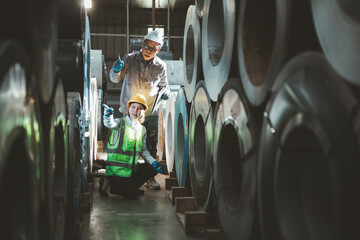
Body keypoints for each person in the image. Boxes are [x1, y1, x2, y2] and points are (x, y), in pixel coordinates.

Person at [109, 30, 170, 190]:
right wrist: (115, 70)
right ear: (142, 44)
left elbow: (164, 85)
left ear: (158, 50)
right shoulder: (129, 59)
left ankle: (150, 179)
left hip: (149, 113)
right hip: (130, 111)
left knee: (150, 146)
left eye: (153, 48)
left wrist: (166, 93)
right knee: (127, 144)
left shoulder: (161, 66)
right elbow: (115, 79)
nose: (149, 50)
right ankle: (124, 173)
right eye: (147, 46)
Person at [99, 94, 168, 198]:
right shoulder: (120, 123)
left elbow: (144, 151)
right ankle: (108, 181)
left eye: (140, 108)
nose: (136, 111)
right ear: (128, 109)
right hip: (115, 173)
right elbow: (110, 123)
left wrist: (154, 163)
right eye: (133, 107)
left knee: (152, 169)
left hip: (130, 172)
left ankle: (129, 187)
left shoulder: (142, 129)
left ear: (143, 112)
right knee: (132, 195)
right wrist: (107, 116)